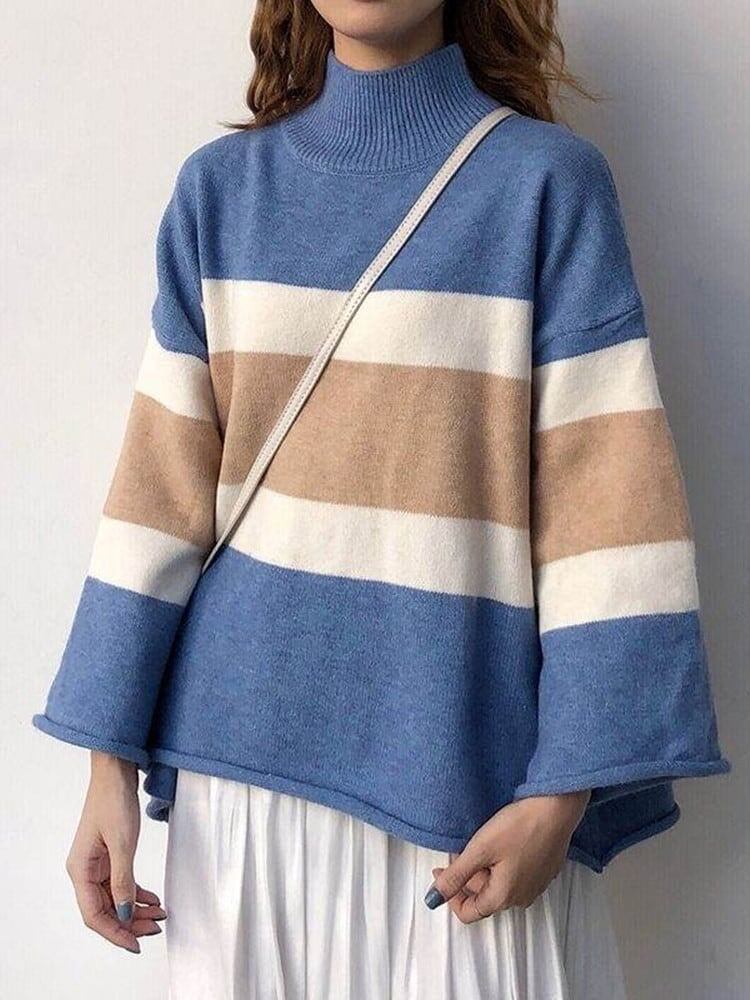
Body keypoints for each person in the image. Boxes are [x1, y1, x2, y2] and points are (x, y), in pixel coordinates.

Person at [32, 1, 730, 997]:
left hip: (467, 797)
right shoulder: (222, 193)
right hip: (239, 802)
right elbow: (159, 496)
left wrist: (563, 794)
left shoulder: (544, 186)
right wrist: (107, 766)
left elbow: (610, 516)